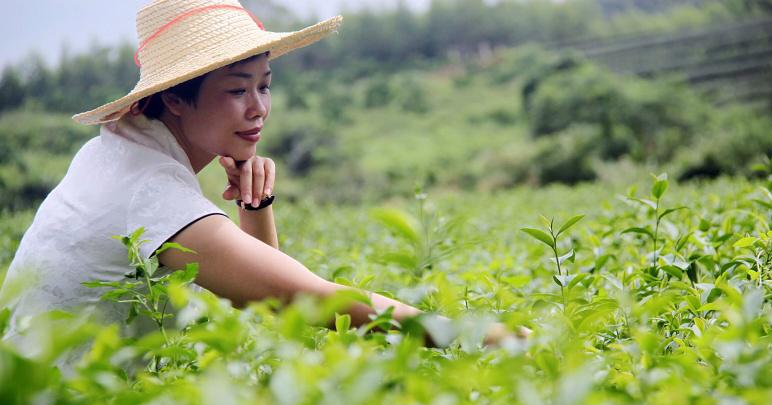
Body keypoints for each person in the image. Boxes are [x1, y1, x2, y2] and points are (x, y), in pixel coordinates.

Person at [0, 0, 528, 365]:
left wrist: (257, 204)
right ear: (177, 98)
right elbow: (295, 298)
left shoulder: (117, 153)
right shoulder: (148, 189)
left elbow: (262, 292)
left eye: (264, 86)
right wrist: (473, 336)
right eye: (236, 91)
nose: (258, 110)